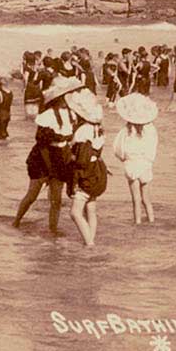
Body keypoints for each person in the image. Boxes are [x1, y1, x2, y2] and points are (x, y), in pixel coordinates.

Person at [13, 76, 80, 232]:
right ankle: (16, 221)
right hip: (42, 158)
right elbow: (42, 144)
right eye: (65, 96)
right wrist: (50, 169)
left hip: (60, 156)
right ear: (58, 98)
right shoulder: (48, 115)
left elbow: (70, 139)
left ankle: (53, 230)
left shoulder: (71, 114)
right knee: (32, 195)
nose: (68, 98)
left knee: (56, 200)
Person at [66, 89, 107, 246]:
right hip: (97, 171)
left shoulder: (82, 131)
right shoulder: (99, 130)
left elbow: (81, 159)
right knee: (91, 209)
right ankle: (90, 239)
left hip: (85, 174)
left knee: (75, 213)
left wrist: (70, 157)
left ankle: (89, 243)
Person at [112, 93, 158, 225]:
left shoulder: (126, 130)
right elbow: (152, 149)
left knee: (136, 199)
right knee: (146, 198)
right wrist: (148, 161)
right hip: (145, 165)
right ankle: (151, 220)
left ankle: (137, 222)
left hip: (132, 165)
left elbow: (118, 149)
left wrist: (124, 159)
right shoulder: (150, 130)